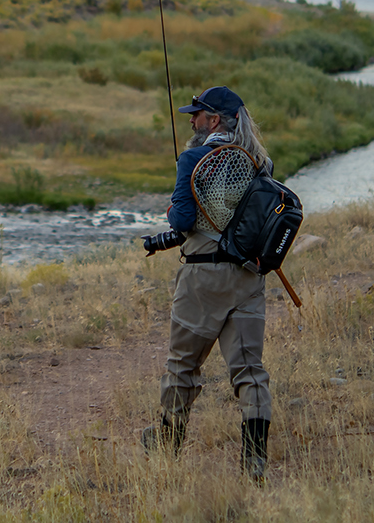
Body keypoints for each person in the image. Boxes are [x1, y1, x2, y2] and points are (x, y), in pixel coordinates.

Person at [141, 85, 274, 483]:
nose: (192, 121)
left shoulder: (193, 157)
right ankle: (254, 463)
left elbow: (180, 222)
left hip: (203, 275)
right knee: (250, 371)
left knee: (182, 365)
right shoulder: (259, 161)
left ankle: (168, 446)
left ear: (214, 120)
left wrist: (171, 207)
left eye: (197, 114)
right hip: (249, 278)